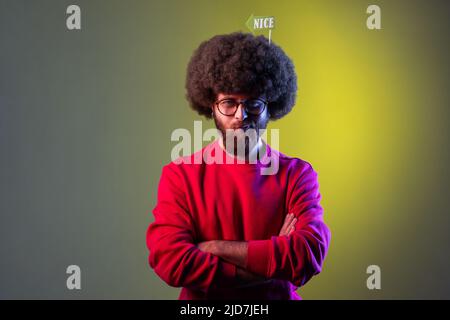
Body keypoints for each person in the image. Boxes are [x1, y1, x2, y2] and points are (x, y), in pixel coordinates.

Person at [146, 32, 331, 300]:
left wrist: (216, 248)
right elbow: (171, 261)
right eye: (229, 102)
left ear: (271, 107)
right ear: (212, 106)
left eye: (253, 103)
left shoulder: (297, 175)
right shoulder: (181, 175)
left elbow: (308, 254)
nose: (241, 116)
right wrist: (271, 265)